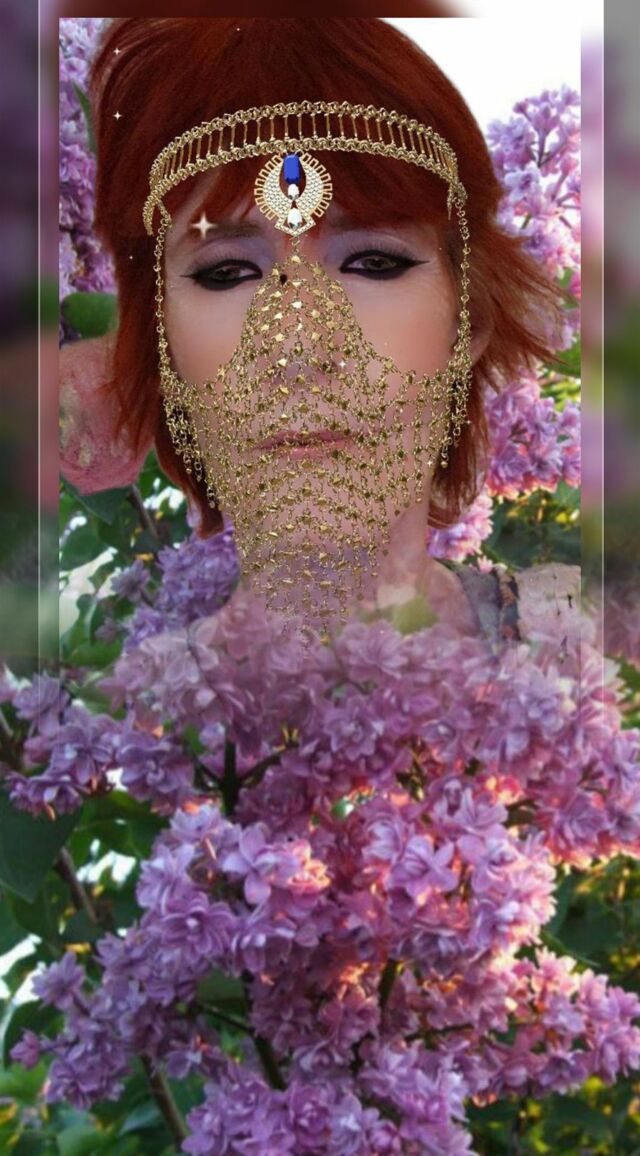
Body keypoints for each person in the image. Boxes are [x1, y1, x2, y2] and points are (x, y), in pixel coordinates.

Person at [60, 16, 581, 646]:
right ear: (160, 345)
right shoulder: (128, 699)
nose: (300, 345)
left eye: (373, 263)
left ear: (469, 321)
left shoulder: (579, 647)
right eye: (227, 272)